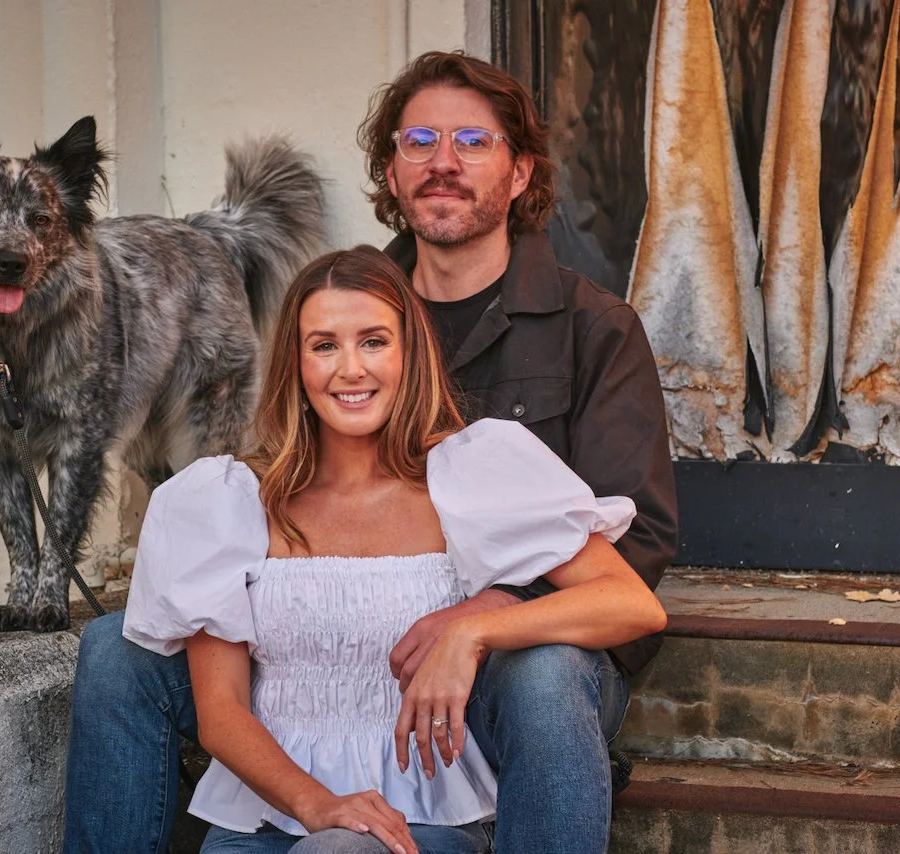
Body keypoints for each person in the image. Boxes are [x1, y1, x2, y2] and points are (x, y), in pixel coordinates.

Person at [63, 51, 678, 853]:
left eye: (473, 142)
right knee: (116, 649)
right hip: (329, 663)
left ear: (521, 172)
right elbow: (278, 472)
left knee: (545, 673)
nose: (443, 161)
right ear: (391, 170)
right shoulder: (345, 297)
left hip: (519, 658)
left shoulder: (591, 328)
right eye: (419, 140)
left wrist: (481, 617)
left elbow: (635, 552)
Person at [121, 245, 667, 854]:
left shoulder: (469, 473)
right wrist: (318, 805)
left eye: (374, 342)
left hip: (421, 823)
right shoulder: (229, 499)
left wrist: (471, 632)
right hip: (269, 819)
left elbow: (631, 604)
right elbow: (220, 713)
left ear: (410, 354)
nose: (351, 368)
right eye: (324, 346)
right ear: (295, 365)